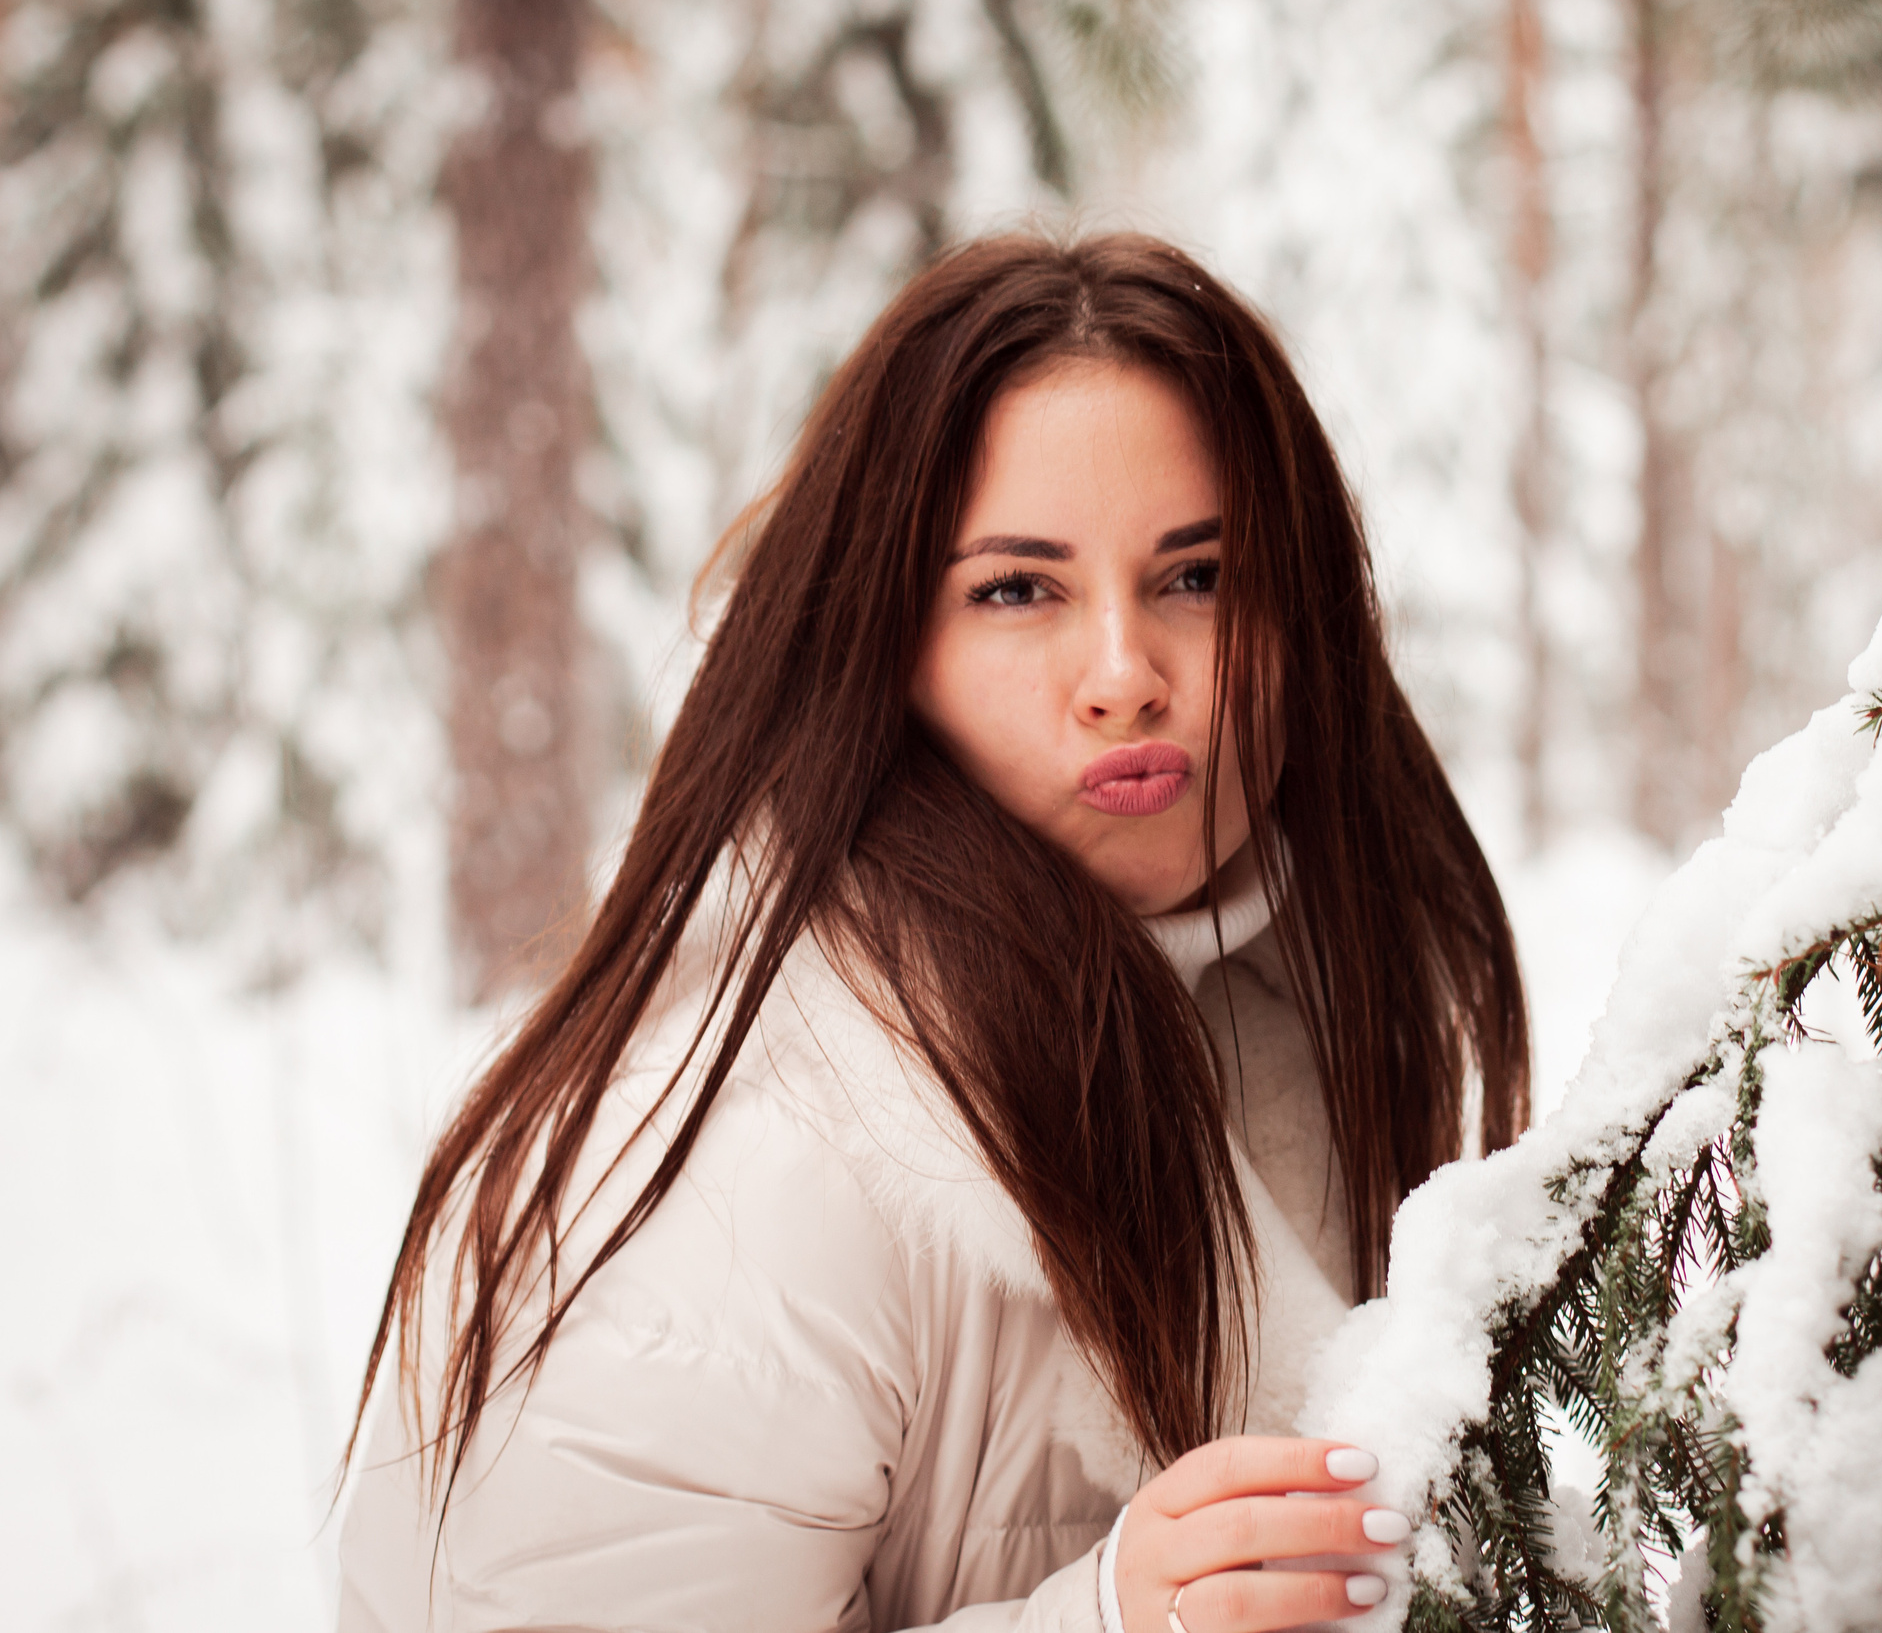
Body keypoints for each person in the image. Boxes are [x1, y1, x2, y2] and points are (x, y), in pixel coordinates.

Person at [336, 233, 1531, 1633]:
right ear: (885, 642)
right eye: (1017, 590)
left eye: (1197, 576)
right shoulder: (763, 1130)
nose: (1124, 675)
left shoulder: (1315, 1008)